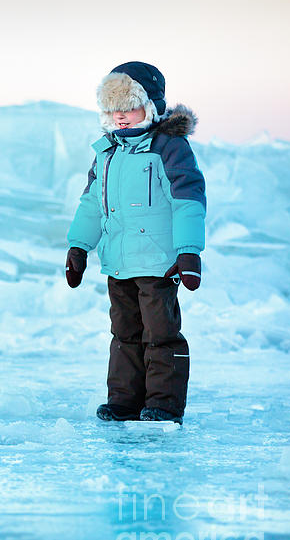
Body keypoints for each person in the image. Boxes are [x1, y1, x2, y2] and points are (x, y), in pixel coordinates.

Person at [65, 61, 206, 425]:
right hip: (119, 263)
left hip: (160, 263)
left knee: (161, 337)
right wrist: (79, 247)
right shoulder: (106, 152)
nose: (121, 117)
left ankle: (163, 405)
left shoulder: (169, 148)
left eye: (129, 106)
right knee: (124, 336)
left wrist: (189, 251)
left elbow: (188, 199)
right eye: (113, 109)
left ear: (152, 105)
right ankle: (124, 402)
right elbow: (91, 203)